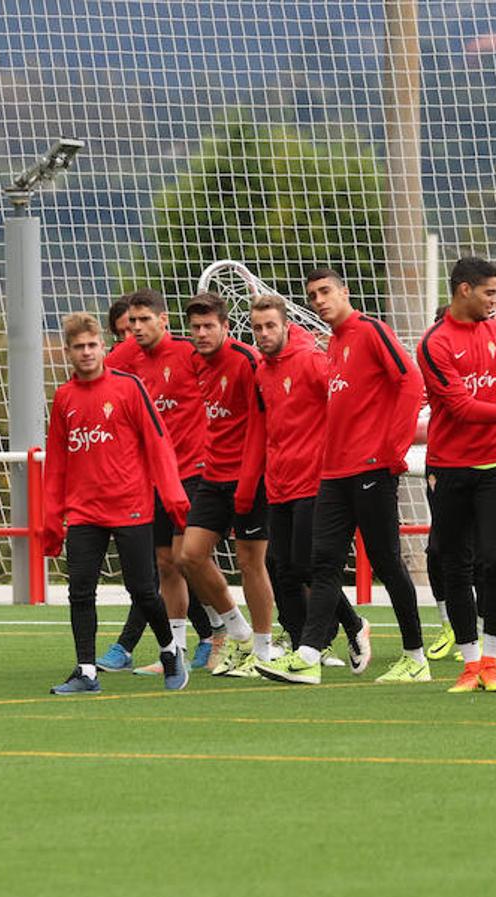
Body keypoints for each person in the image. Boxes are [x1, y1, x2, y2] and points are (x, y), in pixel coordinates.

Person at [262, 268, 427, 685]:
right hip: (333, 473)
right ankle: (308, 654)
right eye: (312, 294)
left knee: (388, 563)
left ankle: (415, 657)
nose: (319, 300)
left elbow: (410, 382)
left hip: (372, 468)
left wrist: (393, 449)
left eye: (325, 291)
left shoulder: (371, 331)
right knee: (323, 564)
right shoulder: (332, 344)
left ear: (344, 292)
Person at [415, 257, 496, 693]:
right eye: (490, 292)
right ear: (464, 290)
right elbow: (460, 408)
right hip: (449, 468)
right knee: (452, 562)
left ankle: (492, 661)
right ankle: (469, 663)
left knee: (495, 559)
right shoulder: (433, 343)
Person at [42, 312, 189, 694]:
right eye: (79, 347)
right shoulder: (64, 398)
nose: (87, 352)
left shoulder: (129, 387)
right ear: (68, 351)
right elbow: (57, 463)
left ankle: (171, 649)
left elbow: (158, 443)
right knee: (80, 590)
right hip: (84, 511)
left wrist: (173, 496)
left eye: (92, 345)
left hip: (131, 506)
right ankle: (87, 671)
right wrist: (51, 519)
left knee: (142, 590)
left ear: (103, 347)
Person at [232, 296, 373, 679]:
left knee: (307, 566)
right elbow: (261, 429)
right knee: (282, 569)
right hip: (278, 483)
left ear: (285, 326)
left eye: (270, 326)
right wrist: (249, 484)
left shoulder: (312, 360)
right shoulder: (261, 372)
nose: (263, 334)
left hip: (315, 481)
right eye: (257, 328)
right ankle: (299, 648)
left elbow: (345, 405)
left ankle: (347, 629)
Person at [94, 290, 222, 674]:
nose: (136, 328)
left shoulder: (189, 354)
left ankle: (226, 630)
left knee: (190, 557)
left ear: (163, 320)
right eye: (131, 322)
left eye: (143, 320)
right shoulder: (121, 360)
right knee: (165, 563)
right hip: (150, 476)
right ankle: (176, 650)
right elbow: (92, 382)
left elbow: (230, 376)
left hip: (195, 471)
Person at [175, 291, 276, 678]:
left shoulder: (247, 361)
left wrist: (252, 479)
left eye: (208, 326)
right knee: (189, 555)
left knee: (252, 563)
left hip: (249, 477)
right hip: (212, 475)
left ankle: (264, 652)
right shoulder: (195, 362)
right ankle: (240, 633)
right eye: (196, 327)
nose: (201, 333)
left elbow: (263, 423)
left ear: (226, 327)